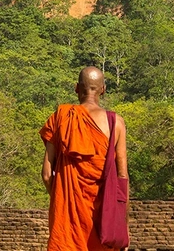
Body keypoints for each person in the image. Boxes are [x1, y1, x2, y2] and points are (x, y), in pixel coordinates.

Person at [39, 66, 128, 251]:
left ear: (76, 88)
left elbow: (47, 174)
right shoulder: (115, 123)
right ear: (103, 90)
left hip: (66, 222)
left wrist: (63, 200)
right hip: (103, 217)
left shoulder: (60, 118)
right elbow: (122, 180)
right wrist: (123, 226)